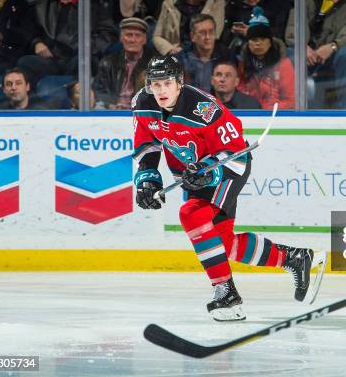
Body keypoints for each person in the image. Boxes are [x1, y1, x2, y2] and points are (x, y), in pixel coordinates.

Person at [132, 54, 323, 321]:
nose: (160, 90)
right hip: (193, 174)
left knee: (191, 214)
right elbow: (148, 144)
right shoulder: (142, 103)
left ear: (179, 83)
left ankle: (226, 294)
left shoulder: (204, 109)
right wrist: (148, 180)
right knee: (223, 243)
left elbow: (234, 151)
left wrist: (208, 171)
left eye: (166, 83)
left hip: (228, 169)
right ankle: (293, 259)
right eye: (155, 84)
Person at [17, 0, 116, 85]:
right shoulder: (42, 5)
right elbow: (27, 28)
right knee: (24, 61)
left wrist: (87, 47)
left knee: (87, 62)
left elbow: (108, 33)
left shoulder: (94, 7)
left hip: (78, 58)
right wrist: (36, 42)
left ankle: (66, 89)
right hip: (50, 60)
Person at [153, 0, 225, 56]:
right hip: (173, 54)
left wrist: (184, 51)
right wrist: (170, 49)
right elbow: (157, 36)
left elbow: (213, 37)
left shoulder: (217, 4)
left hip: (201, 56)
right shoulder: (170, 3)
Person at [220, 0, 290, 52]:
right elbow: (224, 33)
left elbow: (278, 34)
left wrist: (253, 32)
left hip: (268, 52)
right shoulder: (234, 3)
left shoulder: (277, 5)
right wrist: (232, 31)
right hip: (238, 50)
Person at [238, 6, 294, 109]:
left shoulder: (284, 64)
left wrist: (265, 109)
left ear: (270, 42)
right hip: (249, 113)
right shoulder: (243, 63)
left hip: (275, 115)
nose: (258, 43)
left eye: (263, 39)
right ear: (248, 43)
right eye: (254, 39)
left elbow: (290, 101)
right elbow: (239, 92)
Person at [93, 17, 156, 110]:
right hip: (112, 111)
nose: (132, 40)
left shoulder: (156, 63)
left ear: (144, 40)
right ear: (121, 38)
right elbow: (100, 91)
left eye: (137, 36)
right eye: (128, 35)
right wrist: (111, 105)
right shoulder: (108, 62)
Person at [175, 13, 235, 93]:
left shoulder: (227, 56)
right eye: (202, 32)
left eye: (211, 31)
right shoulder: (181, 58)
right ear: (192, 36)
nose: (207, 37)